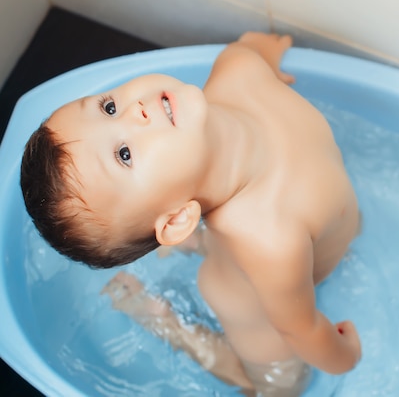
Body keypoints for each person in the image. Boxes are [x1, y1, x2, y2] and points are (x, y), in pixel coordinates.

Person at [20, 32, 362, 396]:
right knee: (283, 386)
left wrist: (266, 51)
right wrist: (345, 358)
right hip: (255, 313)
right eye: (124, 154)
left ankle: (196, 244)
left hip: (273, 252)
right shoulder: (272, 241)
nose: (135, 110)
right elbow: (301, 329)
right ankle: (163, 319)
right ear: (178, 219)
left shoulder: (240, 69)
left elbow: (249, 47)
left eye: (108, 108)